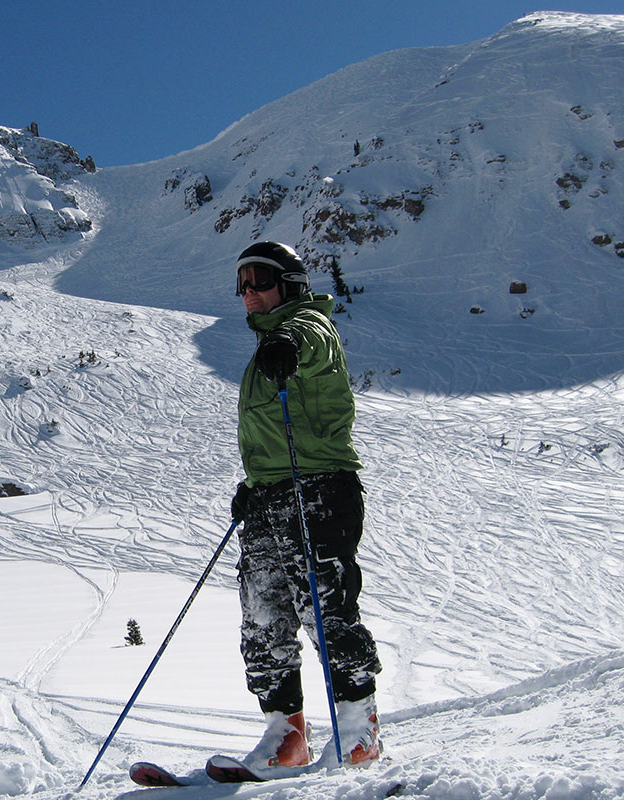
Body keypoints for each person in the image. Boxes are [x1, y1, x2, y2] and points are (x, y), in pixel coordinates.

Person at [229, 241, 382, 775]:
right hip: (271, 495)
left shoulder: (306, 330)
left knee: (326, 610)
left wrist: (288, 341)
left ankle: (359, 731)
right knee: (264, 617)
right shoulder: (268, 343)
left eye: (261, 279)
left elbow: (311, 339)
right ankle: (285, 736)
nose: (249, 291)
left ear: (289, 285)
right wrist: (256, 485)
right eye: (242, 282)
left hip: (318, 489)